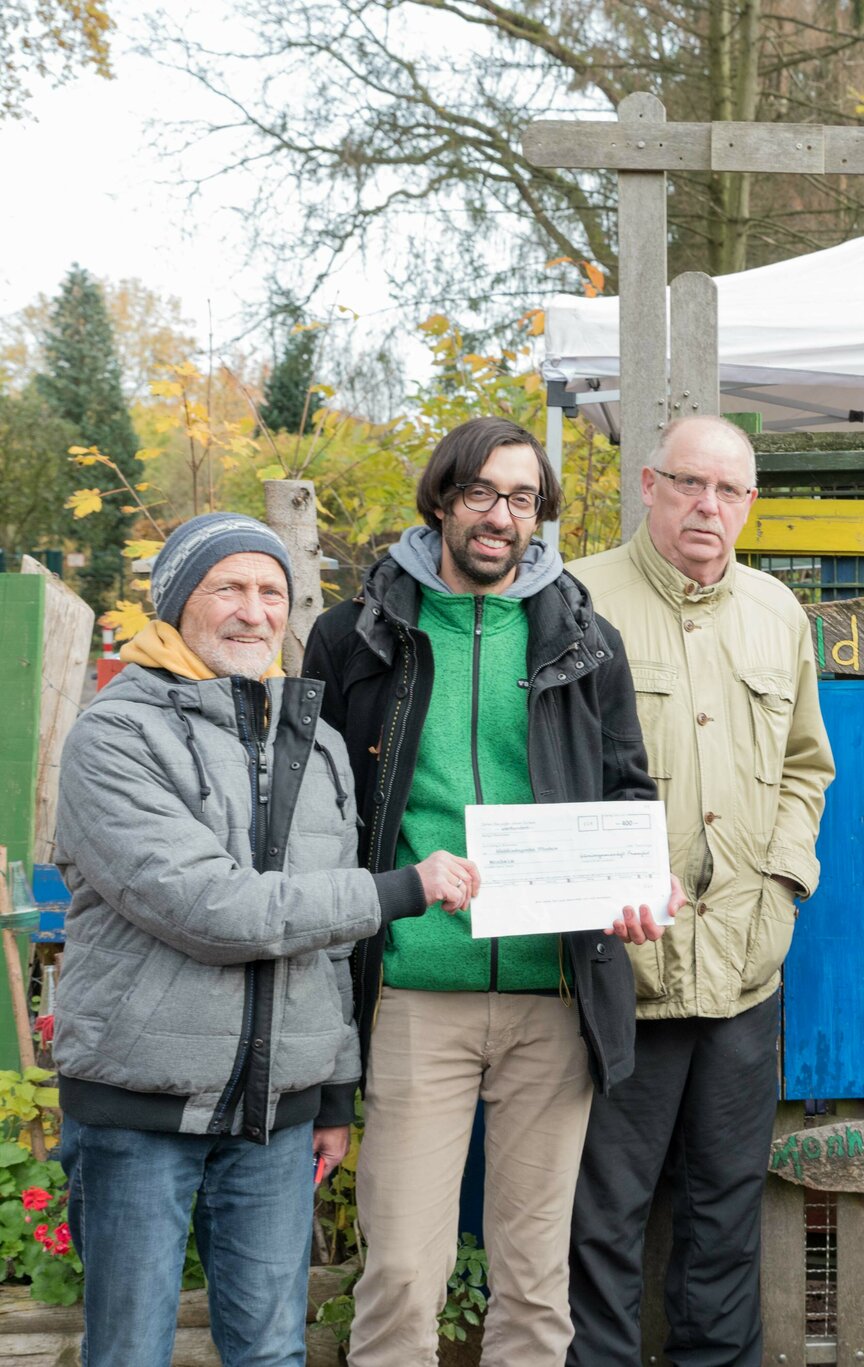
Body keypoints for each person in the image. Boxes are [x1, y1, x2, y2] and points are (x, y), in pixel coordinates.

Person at [51, 513, 478, 1366]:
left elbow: (320, 945)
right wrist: (402, 889)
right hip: (142, 1107)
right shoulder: (116, 735)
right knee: (129, 1350)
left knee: (273, 1351)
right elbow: (213, 909)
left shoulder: (312, 741)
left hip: (277, 1120)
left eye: (272, 591)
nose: (255, 611)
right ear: (176, 603)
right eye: (229, 587)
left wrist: (329, 1094)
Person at [304, 417, 674, 1367]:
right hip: (416, 988)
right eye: (480, 493)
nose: (499, 517)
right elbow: (319, 808)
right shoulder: (357, 634)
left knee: (535, 1282)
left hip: (553, 996)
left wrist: (635, 884)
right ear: (441, 500)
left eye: (521, 499)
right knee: (399, 1277)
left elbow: (627, 790)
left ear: (538, 514)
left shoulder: (587, 638)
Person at [565, 415, 834, 1367]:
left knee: (724, 1211)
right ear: (650, 484)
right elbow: (540, 774)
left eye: (729, 491)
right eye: (690, 483)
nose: (708, 506)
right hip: (620, 972)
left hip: (743, 968)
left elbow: (808, 767)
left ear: (750, 503)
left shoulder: (777, 614)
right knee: (600, 1217)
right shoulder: (576, 603)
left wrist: (786, 877)